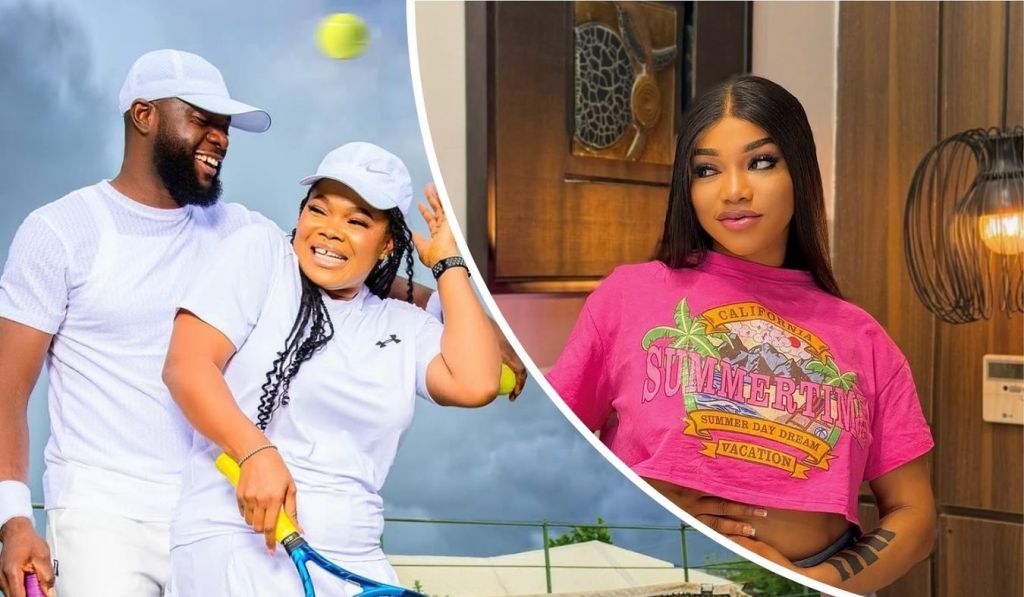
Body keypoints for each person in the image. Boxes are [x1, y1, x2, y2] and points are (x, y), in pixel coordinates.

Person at [547, 75, 936, 595]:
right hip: (653, 574)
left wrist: (811, 582)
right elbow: (553, 455)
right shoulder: (629, 296)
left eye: (761, 161)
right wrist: (641, 507)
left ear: (799, 170)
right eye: (707, 170)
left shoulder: (861, 336)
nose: (733, 190)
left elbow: (915, 514)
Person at [162, 142, 500, 595]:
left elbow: (477, 383)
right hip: (238, 540)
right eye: (318, 210)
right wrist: (255, 452)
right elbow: (187, 365)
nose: (331, 231)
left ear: (387, 245)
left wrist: (447, 264)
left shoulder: (401, 324)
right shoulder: (260, 255)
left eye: (357, 221)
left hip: (359, 559)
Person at [0, 49, 274, 597]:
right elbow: (8, 391)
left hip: (214, 516)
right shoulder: (60, 230)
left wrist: (447, 304)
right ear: (143, 115)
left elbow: (334, 259)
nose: (220, 137)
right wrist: (14, 521)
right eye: (202, 119)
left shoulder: (241, 231)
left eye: (225, 126)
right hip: (103, 518)